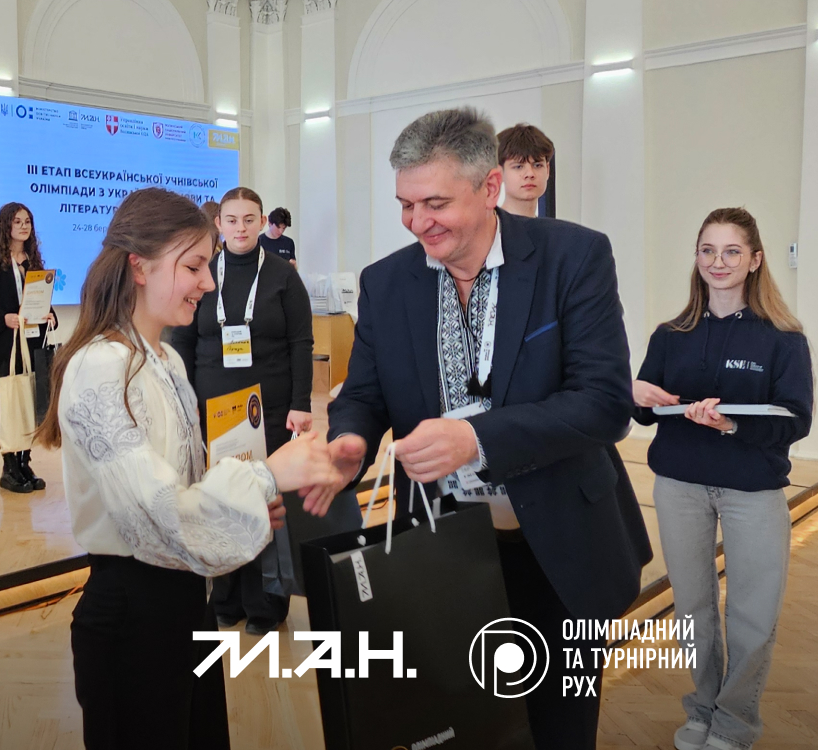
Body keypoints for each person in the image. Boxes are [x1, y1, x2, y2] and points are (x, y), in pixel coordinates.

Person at [307, 108, 652, 750]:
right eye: (406, 205)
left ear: (490, 187)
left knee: (560, 727)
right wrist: (350, 439)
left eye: (435, 203)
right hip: (442, 548)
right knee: (464, 722)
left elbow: (605, 403)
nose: (418, 222)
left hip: (562, 548)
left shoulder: (573, 257)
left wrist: (477, 438)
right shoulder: (386, 282)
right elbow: (364, 394)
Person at [35, 186, 338, 750]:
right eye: (194, 266)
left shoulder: (167, 358)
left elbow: (185, 485)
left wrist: (245, 502)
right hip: (132, 617)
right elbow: (156, 518)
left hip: (182, 608)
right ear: (139, 267)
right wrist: (267, 476)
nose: (209, 282)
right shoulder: (100, 368)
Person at [632, 208, 812, 750]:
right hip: (679, 487)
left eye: (732, 251)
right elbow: (644, 412)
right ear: (696, 257)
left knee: (752, 615)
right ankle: (703, 709)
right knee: (693, 609)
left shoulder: (783, 339)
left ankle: (735, 724)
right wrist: (635, 393)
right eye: (708, 250)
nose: (718, 261)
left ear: (755, 260)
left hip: (752, 490)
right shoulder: (670, 335)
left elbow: (796, 421)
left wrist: (732, 424)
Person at [171, 187, 313, 636]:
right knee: (219, 499)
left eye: (250, 219)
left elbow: (301, 342)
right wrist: (185, 401)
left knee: (262, 501)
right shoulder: (202, 274)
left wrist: (301, 404)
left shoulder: (283, 276)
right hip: (212, 410)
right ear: (219, 224)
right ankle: (226, 597)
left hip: (268, 409)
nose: (240, 228)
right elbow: (183, 340)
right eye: (231, 220)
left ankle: (265, 602)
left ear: (262, 222)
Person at [0, 202, 55, 494]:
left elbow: (39, 299)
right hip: (6, 344)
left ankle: (24, 462)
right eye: (17, 221)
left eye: (27, 221)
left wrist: (49, 314)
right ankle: (9, 467)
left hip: (32, 342)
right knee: (9, 403)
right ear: (6, 225)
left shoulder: (33, 261)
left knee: (30, 401)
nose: (24, 226)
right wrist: (2, 319)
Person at [496, 123, 553, 218]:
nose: (530, 174)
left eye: (537, 165)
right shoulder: (489, 226)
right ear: (499, 173)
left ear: (547, 169)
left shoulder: (552, 227)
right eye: (518, 167)